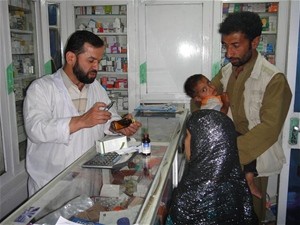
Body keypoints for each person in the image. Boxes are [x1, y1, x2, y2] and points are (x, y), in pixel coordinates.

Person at [23, 30, 141, 196]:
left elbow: (109, 118)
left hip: (88, 178)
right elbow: (35, 129)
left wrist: (121, 126)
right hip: (51, 184)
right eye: (91, 60)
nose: (96, 67)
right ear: (71, 58)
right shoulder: (41, 88)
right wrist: (81, 121)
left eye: (99, 61)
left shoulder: (96, 88)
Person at [209, 11, 292, 223]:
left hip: (253, 163)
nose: (229, 53)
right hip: (227, 156)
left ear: (254, 42)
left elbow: (269, 130)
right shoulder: (228, 70)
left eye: (235, 45)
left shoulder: (273, 79)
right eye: (225, 46)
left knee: (250, 216)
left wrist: (229, 153)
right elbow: (205, 94)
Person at [167, 109, 258, 225]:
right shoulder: (240, 186)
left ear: (201, 144)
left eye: (188, 135)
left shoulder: (188, 198)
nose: (184, 142)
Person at [184, 73, 262, 199]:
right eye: (204, 90)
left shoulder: (208, 101)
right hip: (221, 135)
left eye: (209, 83)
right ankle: (250, 180)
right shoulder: (211, 102)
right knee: (249, 147)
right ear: (197, 98)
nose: (210, 88)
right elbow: (220, 117)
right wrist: (226, 103)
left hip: (216, 137)